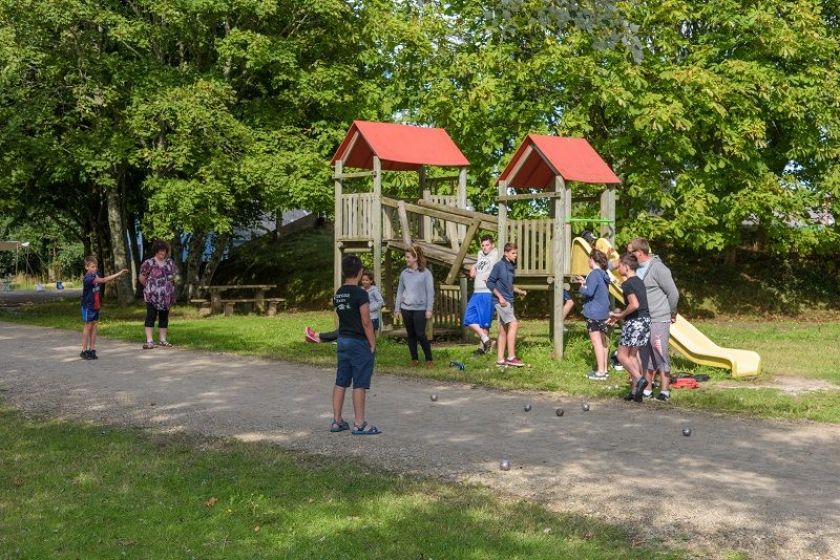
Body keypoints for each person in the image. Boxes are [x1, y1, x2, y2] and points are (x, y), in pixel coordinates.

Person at [330, 255, 380, 435]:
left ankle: (337, 421)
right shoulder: (361, 293)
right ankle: (359, 424)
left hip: (343, 340)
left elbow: (341, 317)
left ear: (344, 272)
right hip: (359, 342)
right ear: (360, 272)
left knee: (341, 380)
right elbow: (366, 321)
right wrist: (372, 343)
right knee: (359, 382)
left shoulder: (339, 293)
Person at [627, 238, 679, 401]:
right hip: (643, 318)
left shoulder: (658, 268)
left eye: (630, 252)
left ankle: (665, 389)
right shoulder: (636, 269)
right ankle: (647, 389)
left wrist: (671, 313)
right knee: (645, 355)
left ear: (639, 253)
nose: (628, 256)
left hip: (659, 318)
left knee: (659, 352)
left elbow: (673, 293)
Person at [606, 253, 650, 402]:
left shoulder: (627, 284)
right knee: (632, 356)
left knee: (621, 356)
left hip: (634, 322)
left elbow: (634, 304)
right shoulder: (639, 281)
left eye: (620, 266)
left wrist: (620, 315)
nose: (618, 268)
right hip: (644, 321)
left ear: (627, 267)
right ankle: (635, 392)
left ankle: (639, 379)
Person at [306, 270, 384, 343]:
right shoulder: (360, 289)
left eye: (366, 280)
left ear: (371, 281)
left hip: (372, 321)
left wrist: (369, 309)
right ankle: (319, 337)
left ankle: (318, 336)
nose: (364, 282)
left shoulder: (374, 290)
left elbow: (380, 301)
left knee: (346, 330)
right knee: (345, 329)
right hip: (361, 319)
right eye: (363, 280)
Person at [486, 242, 527, 367]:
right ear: (506, 253)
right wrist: (500, 297)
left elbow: (508, 285)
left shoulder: (510, 267)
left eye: (516, 253)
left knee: (503, 330)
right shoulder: (499, 265)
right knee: (513, 324)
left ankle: (500, 360)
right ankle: (511, 357)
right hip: (501, 301)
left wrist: (520, 291)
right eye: (513, 253)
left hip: (509, 300)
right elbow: (490, 283)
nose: (516, 256)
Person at [79, 256, 129, 360]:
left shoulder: (95, 274)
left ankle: (92, 350)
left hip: (96, 305)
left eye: (95, 267)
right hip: (88, 306)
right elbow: (104, 280)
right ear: (86, 267)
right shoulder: (88, 278)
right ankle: (84, 351)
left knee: (94, 326)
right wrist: (119, 273)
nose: (94, 269)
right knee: (88, 326)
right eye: (92, 267)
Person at [574, 249, 611, 380]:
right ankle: (605, 369)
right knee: (603, 340)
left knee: (596, 342)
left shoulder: (594, 274)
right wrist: (585, 282)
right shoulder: (603, 273)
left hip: (594, 312)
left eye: (588, 259)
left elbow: (589, 292)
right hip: (603, 311)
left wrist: (581, 287)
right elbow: (595, 289)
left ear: (592, 260)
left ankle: (600, 372)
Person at [395, 245, 435, 367]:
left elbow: (430, 292)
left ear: (415, 258)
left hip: (420, 309)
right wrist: (397, 309)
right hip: (406, 308)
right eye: (406, 257)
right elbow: (400, 291)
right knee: (411, 335)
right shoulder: (404, 274)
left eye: (408, 257)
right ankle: (414, 359)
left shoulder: (426, 273)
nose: (406, 259)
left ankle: (429, 359)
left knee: (420, 334)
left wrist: (429, 309)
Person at [463, 234, 499, 355]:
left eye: (487, 245)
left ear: (492, 245)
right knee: (468, 318)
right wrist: (473, 267)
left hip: (487, 292)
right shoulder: (480, 254)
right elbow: (476, 270)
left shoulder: (496, 254)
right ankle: (486, 340)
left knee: (484, 323)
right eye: (483, 245)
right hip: (476, 292)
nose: (484, 247)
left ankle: (482, 349)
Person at [138, 240, 177, 349]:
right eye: (160, 251)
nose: (162, 253)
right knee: (151, 316)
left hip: (166, 296)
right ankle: (149, 341)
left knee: (164, 317)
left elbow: (173, 277)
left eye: (164, 251)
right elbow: (141, 278)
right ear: (155, 251)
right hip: (151, 296)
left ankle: (162, 339)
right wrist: (151, 287)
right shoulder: (148, 263)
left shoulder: (170, 263)